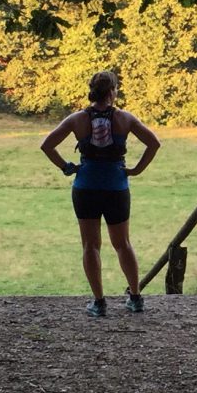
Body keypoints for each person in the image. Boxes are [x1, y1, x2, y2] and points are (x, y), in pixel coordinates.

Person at [39, 70, 160, 316]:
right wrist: (136, 170)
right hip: (117, 187)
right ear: (112, 91)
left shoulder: (76, 119)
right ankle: (135, 298)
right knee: (123, 243)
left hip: (86, 187)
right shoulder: (125, 118)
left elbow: (47, 145)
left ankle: (99, 302)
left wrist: (67, 167)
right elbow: (153, 143)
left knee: (90, 245)